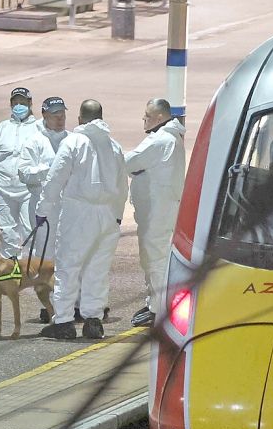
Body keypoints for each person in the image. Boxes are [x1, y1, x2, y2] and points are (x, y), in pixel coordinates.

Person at [37, 100, 128, 339]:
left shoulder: (73, 143)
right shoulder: (114, 146)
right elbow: (122, 186)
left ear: (80, 119)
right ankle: (93, 320)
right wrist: (117, 216)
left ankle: (65, 321)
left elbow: (55, 178)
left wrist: (43, 209)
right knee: (97, 269)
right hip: (107, 215)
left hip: (78, 212)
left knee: (68, 266)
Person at [125, 98, 186, 327]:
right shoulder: (169, 138)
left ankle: (159, 309)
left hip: (158, 213)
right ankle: (154, 303)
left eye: (147, 115)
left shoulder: (161, 140)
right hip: (158, 210)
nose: (144, 119)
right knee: (152, 257)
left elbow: (130, 161)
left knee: (156, 258)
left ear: (160, 117)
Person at [18, 96, 70, 323]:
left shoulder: (73, 140)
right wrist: (48, 170)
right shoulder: (35, 141)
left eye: (62, 114)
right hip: (43, 207)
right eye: (55, 115)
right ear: (45, 116)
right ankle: (48, 304)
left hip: (68, 206)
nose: (60, 119)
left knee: (69, 255)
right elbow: (24, 172)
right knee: (46, 258)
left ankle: (69, 302)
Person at [0, 87, 40, 259]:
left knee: (30, 230)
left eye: (22, 102)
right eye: (15, 103)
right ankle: (10, 267)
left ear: (30, 104)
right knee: (7, 231)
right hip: (2, 189)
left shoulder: (39, 129)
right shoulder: (1, 129)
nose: (19, 106)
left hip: (28, 190)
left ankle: (30, 269)